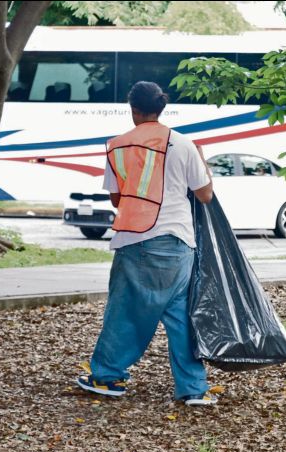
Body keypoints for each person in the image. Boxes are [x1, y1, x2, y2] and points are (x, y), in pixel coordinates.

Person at [77, 81, 217, 406]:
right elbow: (205, 195)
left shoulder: (116, 146)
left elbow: (116, 199)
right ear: (161, 107)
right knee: (180, 315)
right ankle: (193, 388)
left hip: (134, 240)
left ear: (133, 110)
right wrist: (202, 159)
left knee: (124, 313)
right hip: (179, 241)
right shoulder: (184, 145)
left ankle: (107, 377)